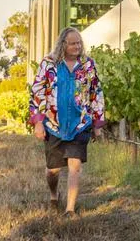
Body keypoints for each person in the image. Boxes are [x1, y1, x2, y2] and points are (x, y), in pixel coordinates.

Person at [28, 27, 105, 216]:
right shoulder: (49, 64)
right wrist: (38, 122)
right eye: (73, 43)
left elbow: (96, 93)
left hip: (80, 123)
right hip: (54, 125)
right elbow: (37, 92)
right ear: (63, 44)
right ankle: (54, 195)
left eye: (79, 43)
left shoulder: (88, 65)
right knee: (52, 170)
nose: (77, 46)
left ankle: (70, 209)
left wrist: (97, 124)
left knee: (75, 165)